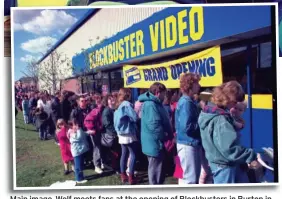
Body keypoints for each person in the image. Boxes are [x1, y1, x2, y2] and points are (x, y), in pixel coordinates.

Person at [198, 81, 261, 184]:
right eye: (235, 102)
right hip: (224, 166)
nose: (235, 105)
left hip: (217, 162)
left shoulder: (209, 111)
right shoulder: (221, 119)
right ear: (229, 98)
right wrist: (251, 155)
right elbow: (229, 149)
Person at [138, 82, 173, 185]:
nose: (164, 96)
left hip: (156, 142)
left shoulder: (155, 103)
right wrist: (165, 136)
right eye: (163, 93)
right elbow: (154, 126)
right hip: (155, 143)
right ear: (158, 93)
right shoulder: (151, 104)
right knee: (155, 172)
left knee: (158, 171)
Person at [175, 73, 202, 184]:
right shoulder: (186, 102)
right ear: (190, 85)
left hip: (186, 143)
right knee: (189, 180)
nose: (199, 86)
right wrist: (201, 124)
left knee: (186, 177)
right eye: (197, 83)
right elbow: (187, 127)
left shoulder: (186, 101)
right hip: (188, 144)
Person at [114, 88, 139, 185]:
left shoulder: (118, 106)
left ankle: (123, 174)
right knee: (133, 154)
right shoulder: (127, 104)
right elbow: (135, 117)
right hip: (128, 132)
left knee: (124, 154)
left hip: (120, 133)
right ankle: (131, 177)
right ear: (127, 94)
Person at [84, 93, 105, 174]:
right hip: (95, 132)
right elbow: (88, 120)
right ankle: (97, 165)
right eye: (98, 99)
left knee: (100, 147)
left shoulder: (100, 109)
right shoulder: (95, 110)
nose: (100, 101)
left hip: (99, 131)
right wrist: (93, 129)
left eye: (100, 99)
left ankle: (102, 163)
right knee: (97, 148)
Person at [68, 119, 91, 184]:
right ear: (71, 126)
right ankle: (79, 179)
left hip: (79, 151)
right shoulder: (72, 133)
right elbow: (79, 137)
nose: (77, 125)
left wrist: (89, 132)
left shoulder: (76, 131)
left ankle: (81, 176)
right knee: (78, 166)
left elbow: (83, 134)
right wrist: (78, 129)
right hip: (77, 152)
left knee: (80, 164)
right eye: (75, 124)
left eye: (76, 123)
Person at [101, 94, 120, 172]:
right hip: (111, 135)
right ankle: (115, 167)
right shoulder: (107, 110)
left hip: (116, 133)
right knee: (113, 152)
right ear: (107, 101)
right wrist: (115, 131)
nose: (112, 99)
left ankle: (116, 166)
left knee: (117, 151)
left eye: (113, 98)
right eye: (109, 99)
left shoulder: (115, 109)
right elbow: (107, 124)